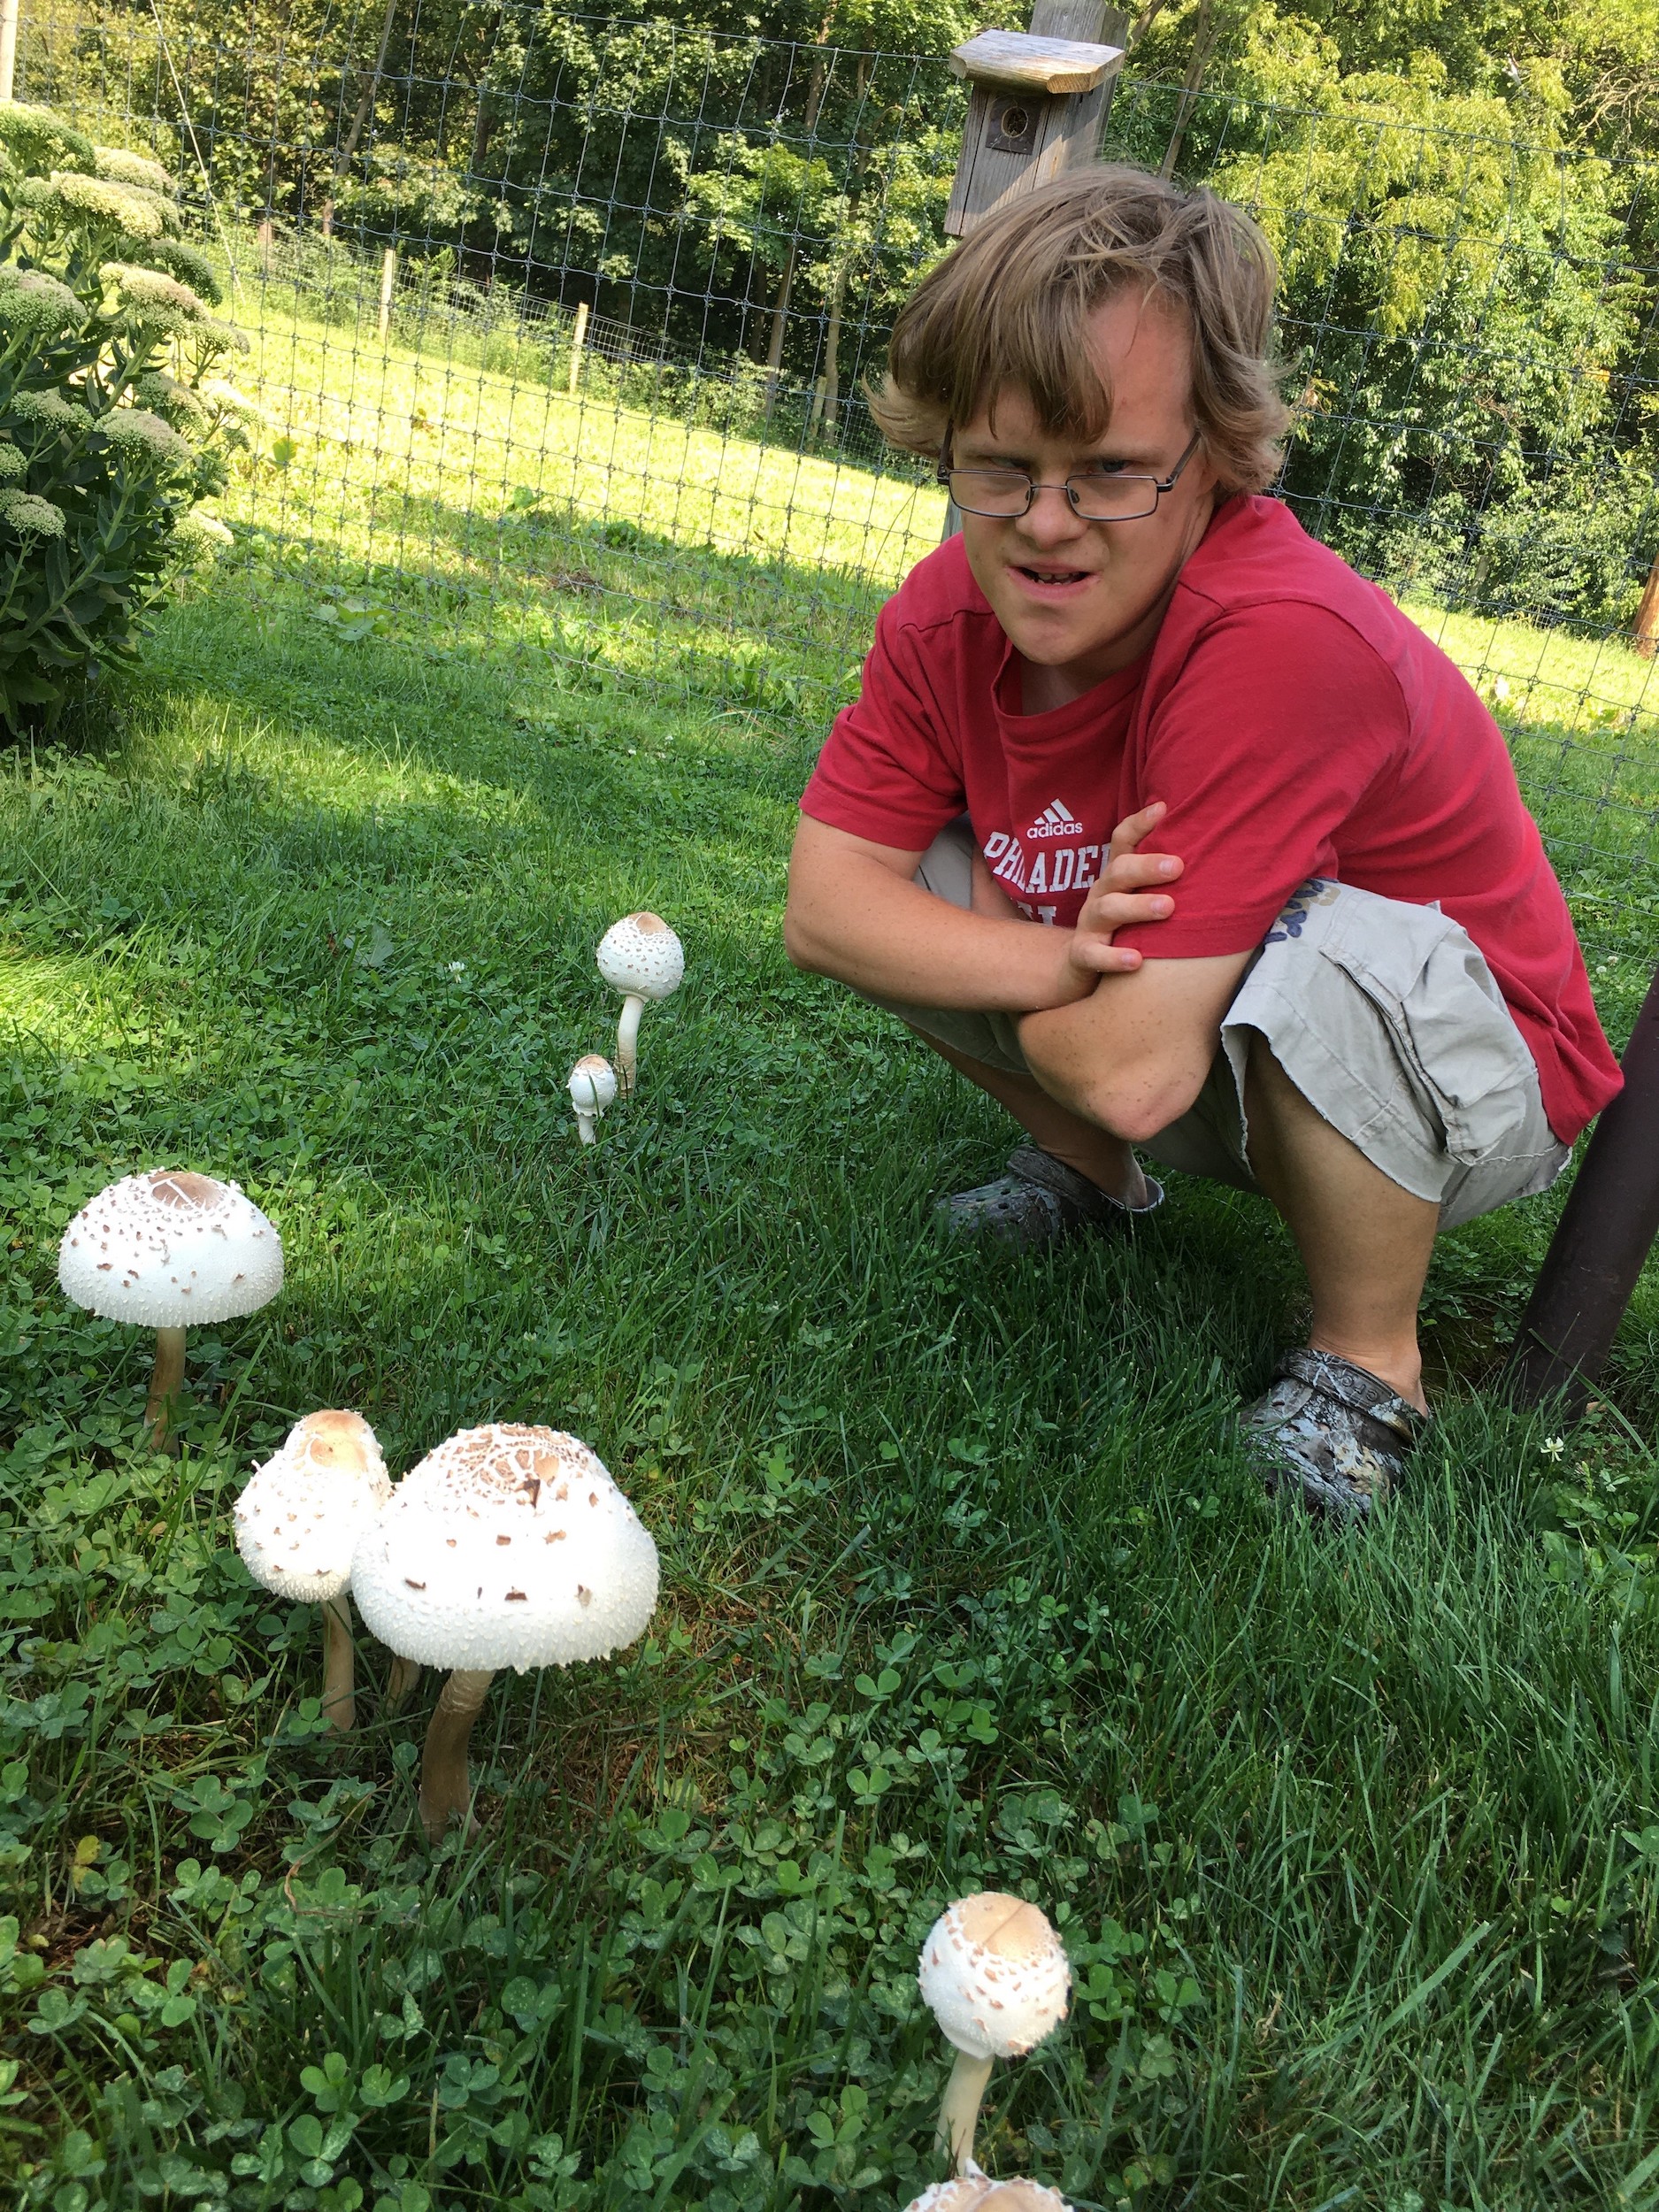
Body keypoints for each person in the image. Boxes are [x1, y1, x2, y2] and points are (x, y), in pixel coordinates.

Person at [783, 164, 1622, 1519]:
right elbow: (825, 907)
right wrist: (1065, 958)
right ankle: (1086, 1184)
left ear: (1215, 457)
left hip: (1466, 1075)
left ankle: (1368, 1369)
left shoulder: (1280, 637)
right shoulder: (942, 617)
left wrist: (1043, 967)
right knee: (916, 878)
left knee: (1324, 942)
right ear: (943, 445)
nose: (1046, 527)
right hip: (1185, 1010)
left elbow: (1125, 1068)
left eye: (1112, 472)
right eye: (1000, 469)